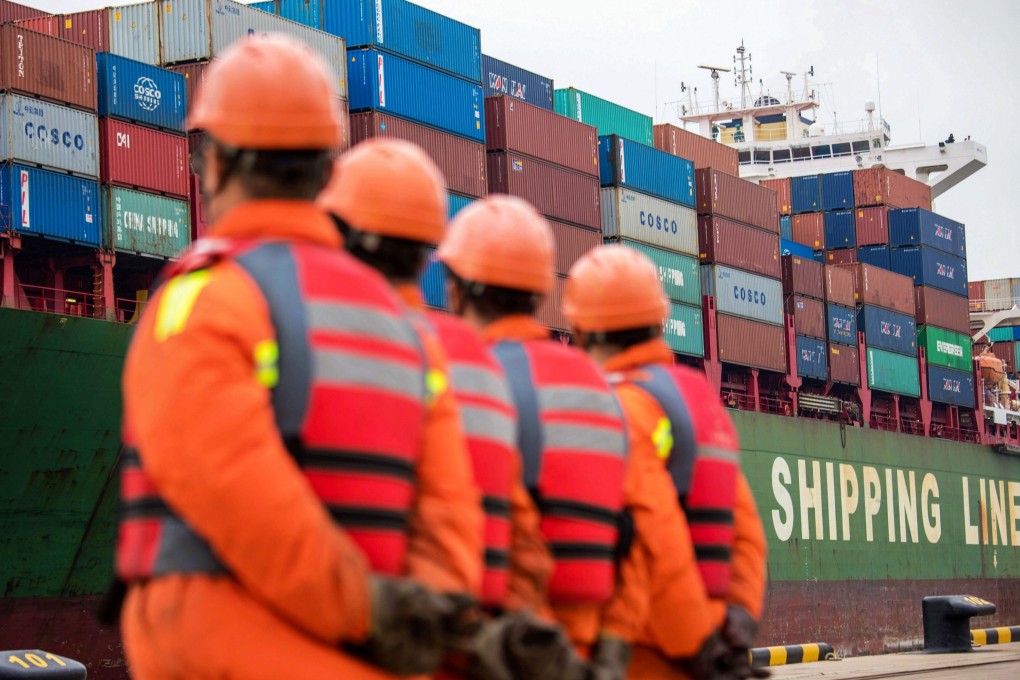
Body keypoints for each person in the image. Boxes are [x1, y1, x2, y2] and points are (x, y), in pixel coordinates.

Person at [112, 35, 480, 680]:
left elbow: (233, 489)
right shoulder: (409, 333)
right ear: (325, 170)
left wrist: (363, 608)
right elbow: (450, 513)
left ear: (216, 162)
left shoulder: (203, 301)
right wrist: (417, 625)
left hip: (222, 655)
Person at [438, 196, 729, 680]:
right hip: (590, 647)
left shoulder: (462, 378)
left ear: (455, 292)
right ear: (540, 294)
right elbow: (646, 532)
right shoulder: (603, 394)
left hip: (496, 648)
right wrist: (688, 646)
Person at [317, 140, 560, 677]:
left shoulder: (324, 338)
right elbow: (520, 535)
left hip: (357, 641)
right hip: (477, 635)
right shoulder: (480, 362)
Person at [562, 245, 769, 679]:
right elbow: (746, 531)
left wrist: (698, 646)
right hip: (719, 634)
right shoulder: (701, 401)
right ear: (660, 322)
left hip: (654, 651)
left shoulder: (620, 408)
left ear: (583, 332)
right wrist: (738, 622)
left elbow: (657, 539)